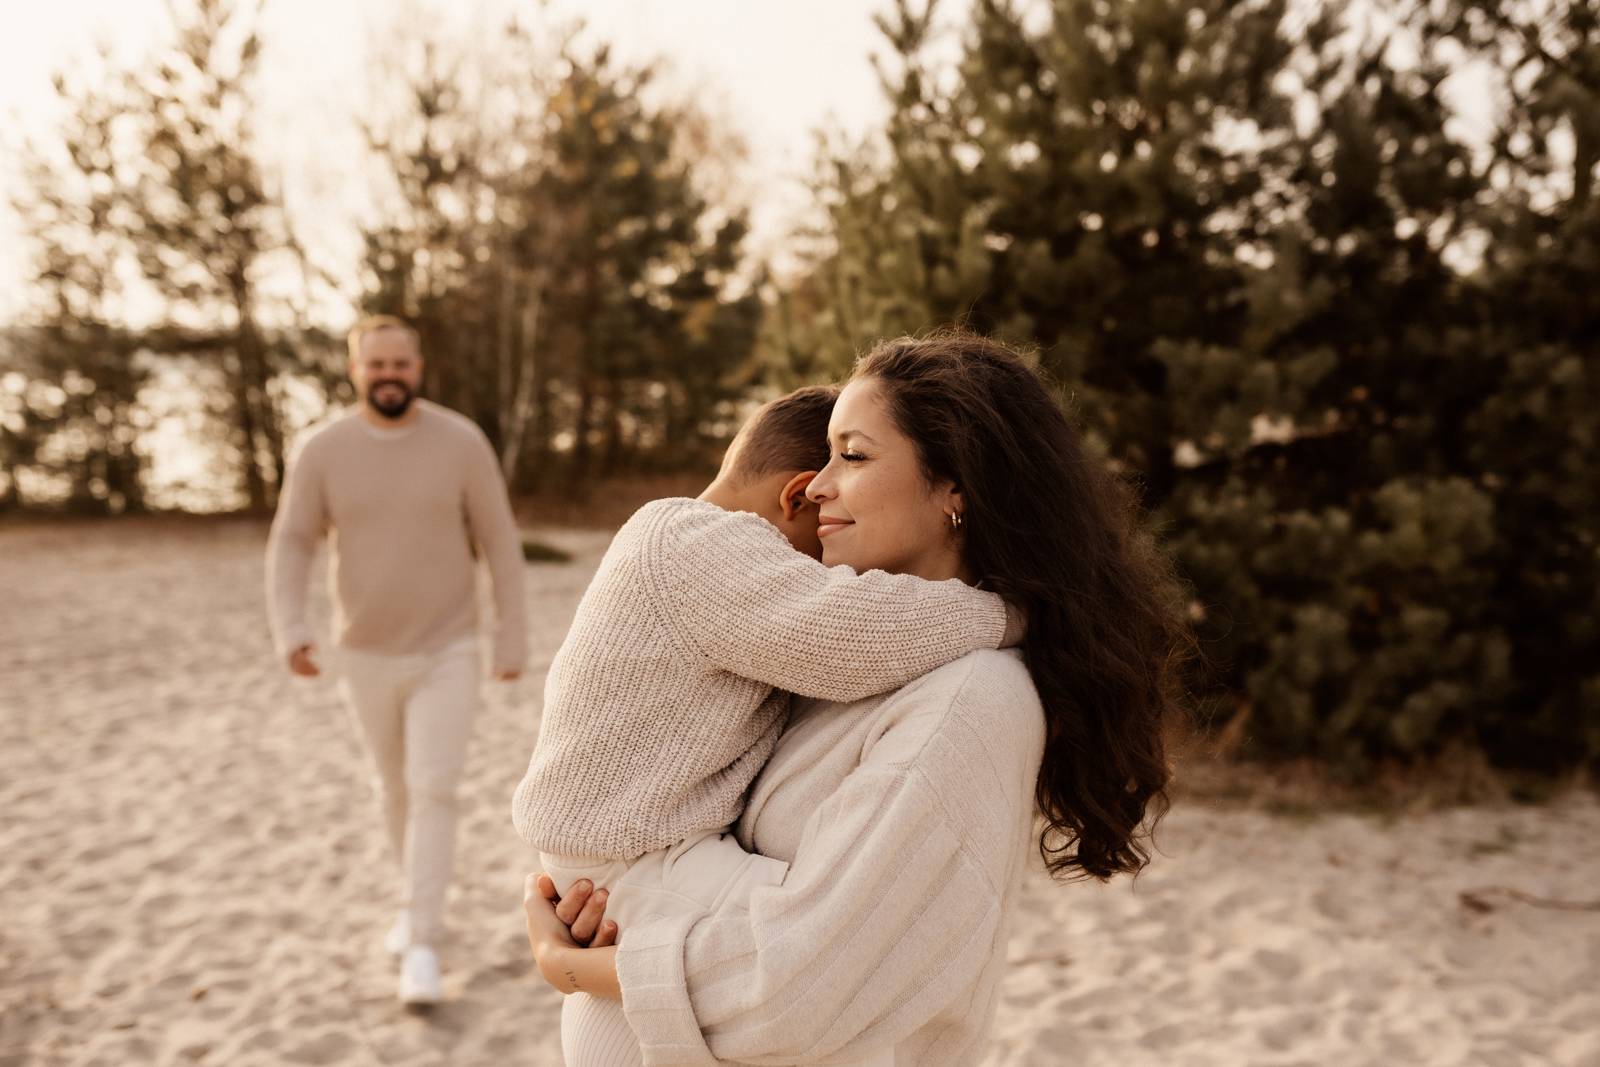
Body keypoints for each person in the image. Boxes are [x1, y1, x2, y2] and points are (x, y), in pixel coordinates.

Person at [522, 330, 1191, 1065]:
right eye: (824, 457)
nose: (816, 487)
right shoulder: (824, 650)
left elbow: (795, 976)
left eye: (855, 454)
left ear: (955, 486)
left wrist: (572, 966)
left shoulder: (969, 696)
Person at [510, 384, 1023, 996]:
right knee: (811, 945)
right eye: (822, 539)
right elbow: (849, 632)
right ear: (796, 496)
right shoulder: (699, 545)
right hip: (634, 858)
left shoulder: (680, 544)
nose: (833, 566)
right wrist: (1006, 615)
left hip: (625, 853)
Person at [266, 314, 528, 1007]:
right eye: (374, 364)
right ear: (355, 370)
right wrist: (290, 624)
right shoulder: (322, 449)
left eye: (399, 364)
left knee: (435, 787)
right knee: (396, 791)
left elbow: (500, 541)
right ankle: (415, 904)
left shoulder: (461, 441)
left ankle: (422, 940)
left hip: (450, 645)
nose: (388, 375)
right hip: (364, 652)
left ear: (418, 366)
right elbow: (292, 541)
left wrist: (512, 632)